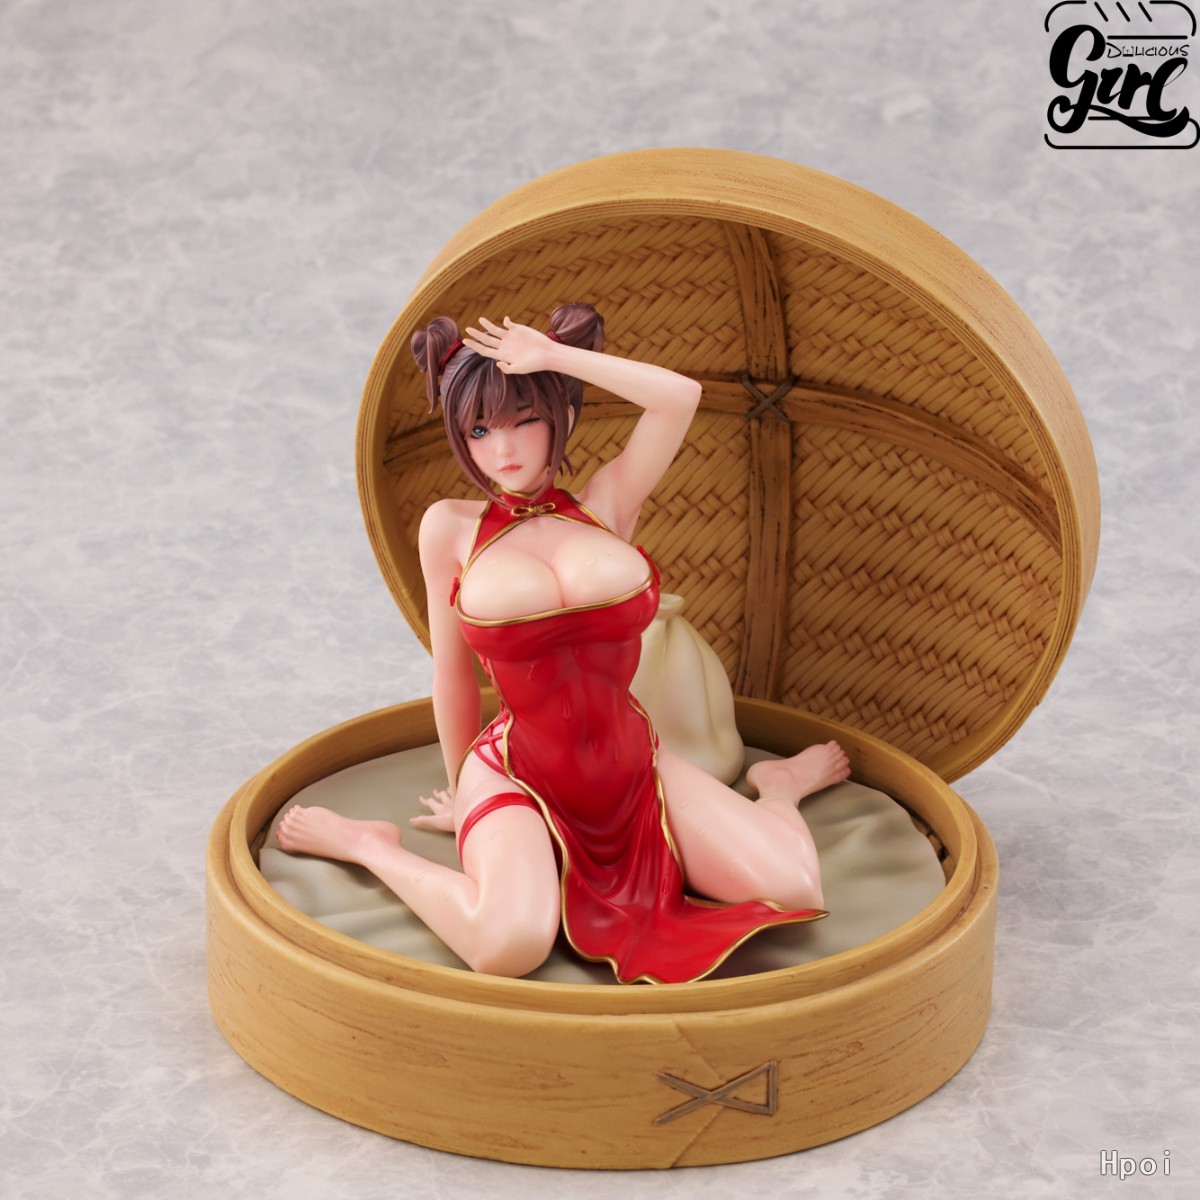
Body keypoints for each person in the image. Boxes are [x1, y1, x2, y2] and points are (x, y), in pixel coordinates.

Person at [277, 303, 850, 983]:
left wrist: (554, 358)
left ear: (562, 416)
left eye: (525, 419)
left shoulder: (608, 502)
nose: (504, 450)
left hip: (630, 763)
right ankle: (371, 847)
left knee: (795, 887)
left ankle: (778, 788)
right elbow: (453, 675)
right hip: (516, 769)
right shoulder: (450, 528)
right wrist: (464, 795)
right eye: (479, 429)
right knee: (509, 947)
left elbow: (679, 397)